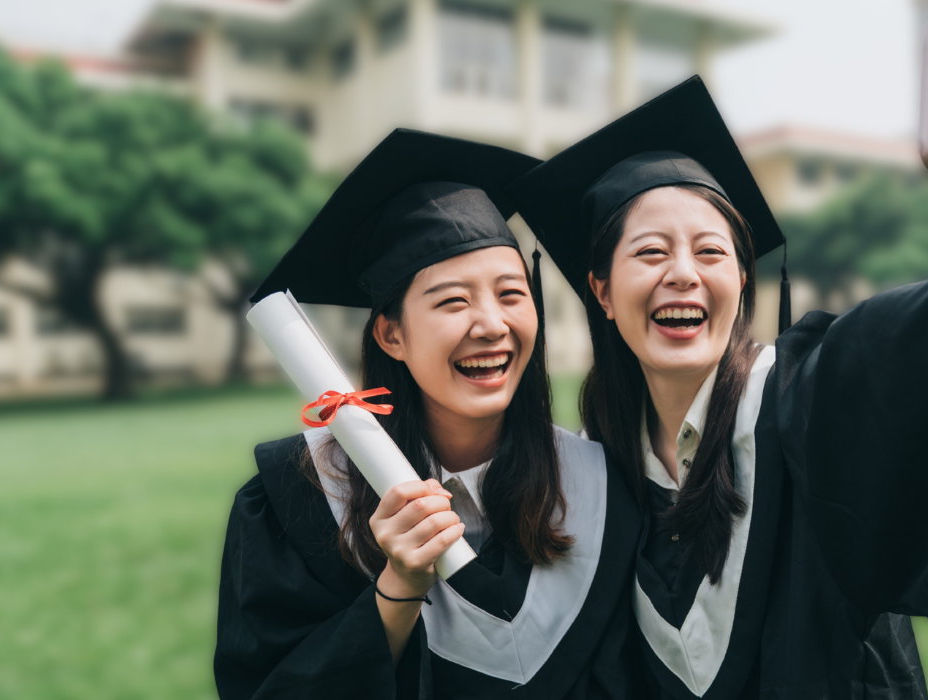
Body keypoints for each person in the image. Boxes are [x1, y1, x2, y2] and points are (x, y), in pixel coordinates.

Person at [506, 75, 928, 699]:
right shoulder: (597, 472)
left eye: (711, 253)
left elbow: (883, 357)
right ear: (602, 293)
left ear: (742, 281)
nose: (683, 274)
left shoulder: (793, 404)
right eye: (650, 253)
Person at [214, 129, 643, 699]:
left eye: (512, 294)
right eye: (453, 301)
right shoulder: (300, 499)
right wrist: (397, 590)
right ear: (391, 334)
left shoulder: (601, 484)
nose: (491, 324)